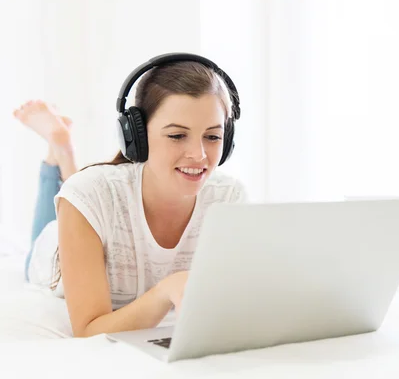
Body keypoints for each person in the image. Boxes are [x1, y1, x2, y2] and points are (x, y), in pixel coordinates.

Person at [13, 55, 247, 338]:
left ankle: (61, 152)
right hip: (51, 248)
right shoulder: (87, 193)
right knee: (65, 210)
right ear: (137, 137)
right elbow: (88, 330)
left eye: (212, 137)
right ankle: (61, 151)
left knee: (83, 193)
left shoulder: (228, 198)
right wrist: (164, 291)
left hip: (94, 199)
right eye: (176, 136)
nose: (198, 155)